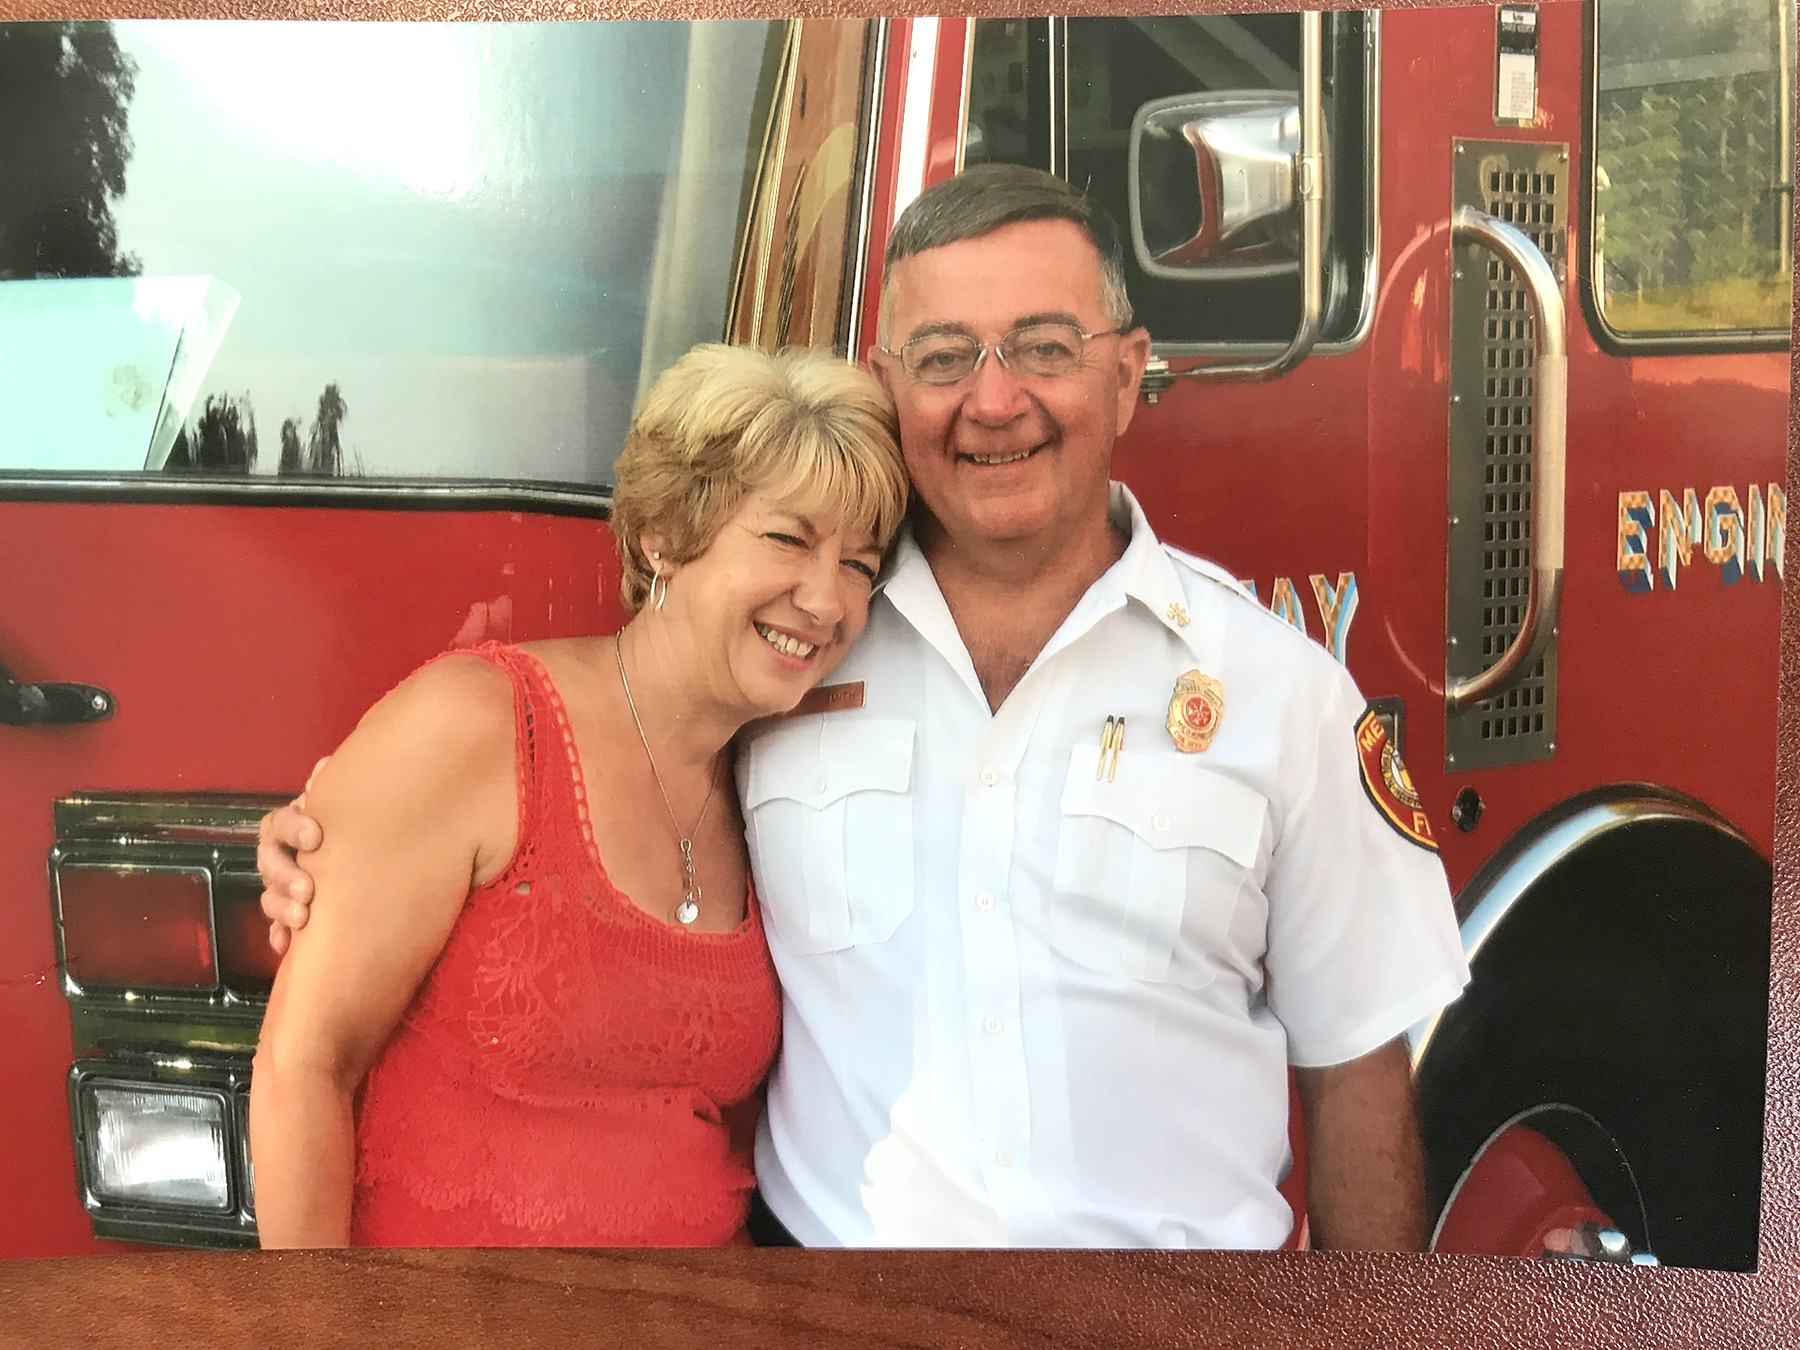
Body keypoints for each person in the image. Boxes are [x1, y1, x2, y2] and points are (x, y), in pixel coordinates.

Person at [262, 164, 1469, 1250]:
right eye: (944, 357)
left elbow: (1356, 1072)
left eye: (1043, 347)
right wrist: (336, 824)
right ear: (895, 384)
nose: (993, 401)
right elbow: (553, 788)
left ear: (1128, 367)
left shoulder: (1280, 693)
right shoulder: (782, 669)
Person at [247, 344, 909, 1247]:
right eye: (788, 539)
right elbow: (303, 1065)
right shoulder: (481, 724)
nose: (828, 599)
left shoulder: (774, 779)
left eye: (862, 565)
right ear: (664, 535)